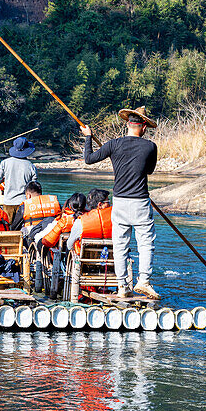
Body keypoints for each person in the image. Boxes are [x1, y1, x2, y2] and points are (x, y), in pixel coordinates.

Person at [80, 105, 160, 299]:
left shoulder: (113, 144)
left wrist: (88, 137)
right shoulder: (150, 146)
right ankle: (144, 282)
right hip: (140, 201)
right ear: (143, 127)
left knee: (120, 244)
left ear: (127, 124)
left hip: (120, 202)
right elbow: (149, 171)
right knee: (146, 244)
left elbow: (89, 159)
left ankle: (123, 286)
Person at [0, 137, 39, 206]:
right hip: (23, 203)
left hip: (8, 202)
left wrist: (3, 182)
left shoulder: (5, 163)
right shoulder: (31, 167)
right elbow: (33, 187)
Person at [66, 188, 112, 254]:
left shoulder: (80, 222)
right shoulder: (115, 220)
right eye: (108, 202)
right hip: (109, 259)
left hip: (86, 259)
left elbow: (69, 245)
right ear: (100, 205)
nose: (110, 205)